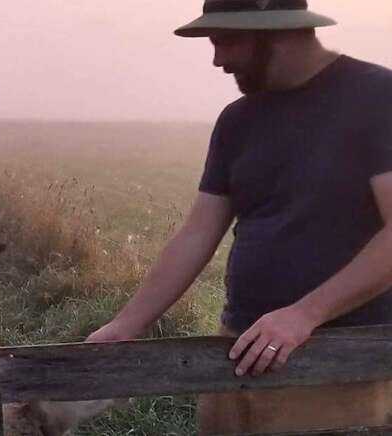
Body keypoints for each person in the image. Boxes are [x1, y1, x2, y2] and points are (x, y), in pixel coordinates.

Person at [85, 0, 392, 433]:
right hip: (236, 352)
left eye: (226, 41)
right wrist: (127, 324)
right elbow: (199, 231)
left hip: (337, 361)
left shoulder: (378, 97)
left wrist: (304, 315)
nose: (218, 60)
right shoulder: (237, 121)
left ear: (278, 32)